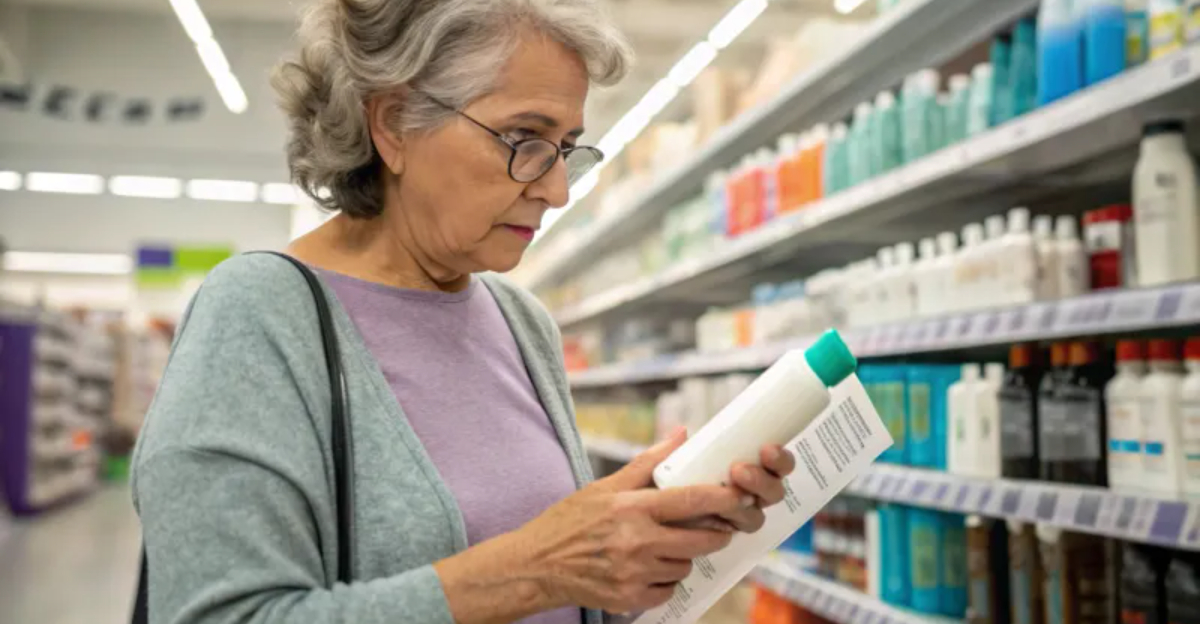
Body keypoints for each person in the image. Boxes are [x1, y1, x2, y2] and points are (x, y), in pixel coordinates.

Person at [132, 1, 797, 623]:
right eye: (524, 138)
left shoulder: (520, 321)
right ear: (392, 125)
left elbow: (562, 594)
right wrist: (535, 569)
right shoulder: (259, 316)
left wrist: (648, 544)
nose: (557, 189)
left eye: (566, 147)